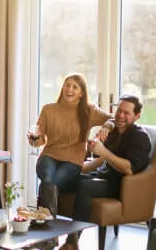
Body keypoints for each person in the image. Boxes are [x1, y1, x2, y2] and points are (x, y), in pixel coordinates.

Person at [51, 94, 151, 250]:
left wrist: (104, 152)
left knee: (85, 187)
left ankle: (71, 246)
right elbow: (100, 160)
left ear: (137, 116)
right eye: (119, 110)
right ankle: (46, 237)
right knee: (58, 181)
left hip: (121, 185)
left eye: (126, 113)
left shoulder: (139, 137)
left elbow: (129, 169)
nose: (120, 115)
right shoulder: (114, 131)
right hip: (102, 176)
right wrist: (85, 162)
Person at [29, 73, 113, 218]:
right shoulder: (48, 109)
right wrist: (34, 138)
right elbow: (40, 140)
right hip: (49, 156)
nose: (70, 89)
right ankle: (50, 231)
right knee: (48, 176)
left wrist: (106, 126)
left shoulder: (89, 110)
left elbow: (113, 118)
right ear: (62, 88)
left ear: (81, 93)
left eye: (75, 87)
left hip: (72, 162)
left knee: (49, 183)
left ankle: (47, 230)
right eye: (67, 85)